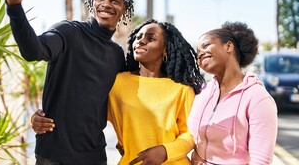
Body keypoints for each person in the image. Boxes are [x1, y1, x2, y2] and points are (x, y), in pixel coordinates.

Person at [0, 0, 134, 165]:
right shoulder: (69, 32)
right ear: (93, 2)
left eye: (114, 0)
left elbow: (120, 104)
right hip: (53, 156)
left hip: (94, 157)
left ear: (125, 8)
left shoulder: (117, 55)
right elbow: (33, 50)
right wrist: (14, 4)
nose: (106, 4)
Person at [32, 19, 205, 164]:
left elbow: (190, 135)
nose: (141, 41)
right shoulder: (118, 82)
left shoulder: (181, 88)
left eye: (150, 38)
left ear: (166, 49)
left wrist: (165, 151)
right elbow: (84, 110)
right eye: (138, 37)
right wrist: (40, 116)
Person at [187, 21, 278, 165]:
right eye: (197, 53)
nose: (200, 55)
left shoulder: (258, 98)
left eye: (206, 45)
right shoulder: (202, 92)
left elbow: (260, 161)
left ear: (228, 46)